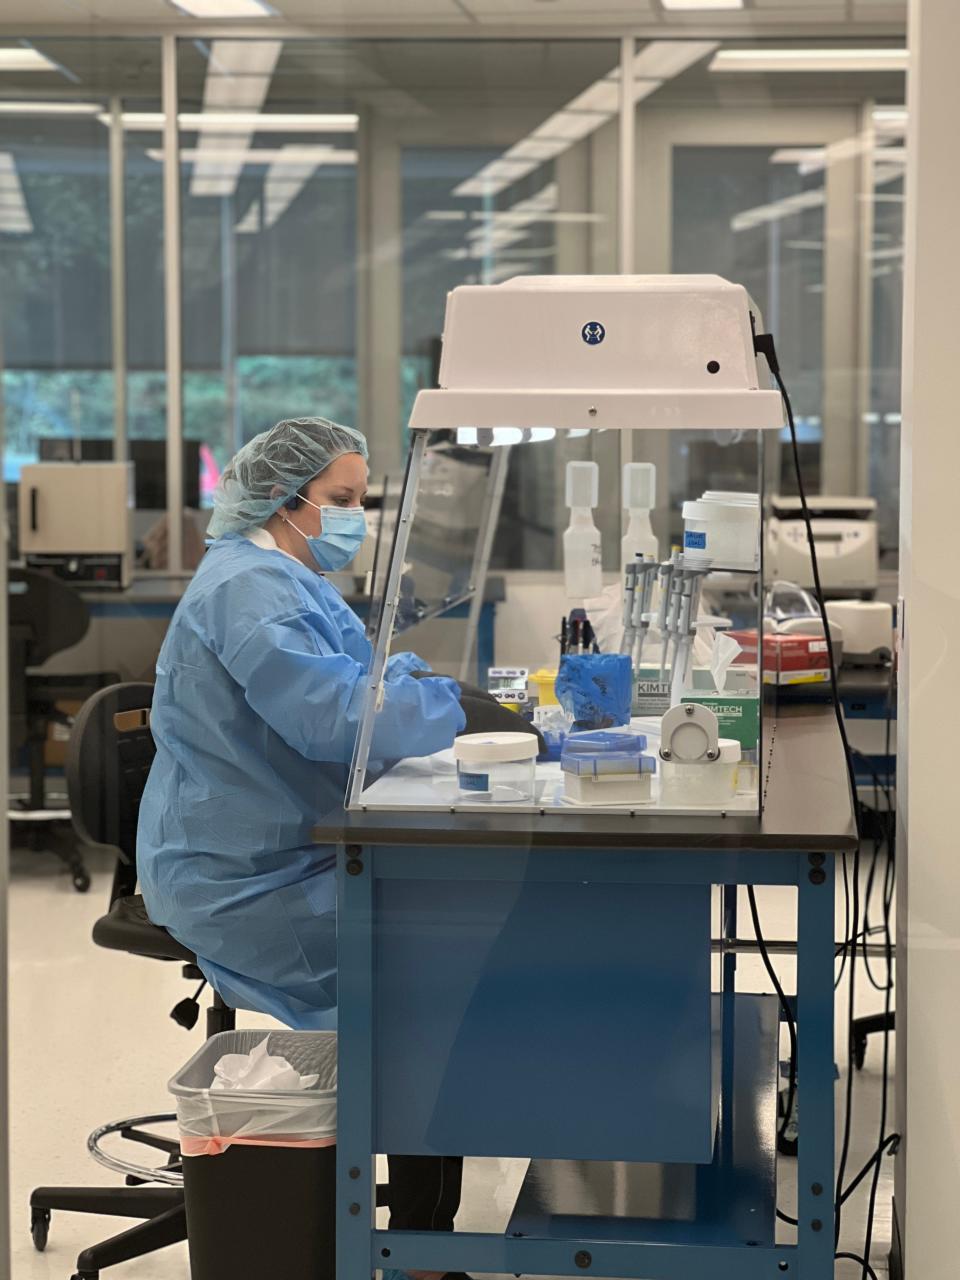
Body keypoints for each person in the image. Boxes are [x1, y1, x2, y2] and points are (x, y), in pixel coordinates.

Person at [138, 418, 471, 1269]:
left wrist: (413, 688)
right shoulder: (247, 588)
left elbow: (356, 681)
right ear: (283, 502)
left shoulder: (286, 577)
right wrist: (452, 706)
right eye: (342, 501)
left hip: (290, 848)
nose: (356, 517)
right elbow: (331, 718)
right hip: (240, 877)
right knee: (421, 979)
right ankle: (416, 1244)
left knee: (437, 944)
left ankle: (411, 1220)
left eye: (364, 499)